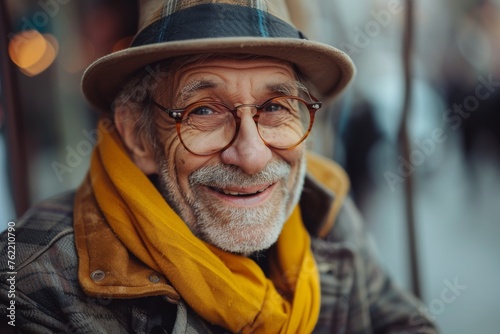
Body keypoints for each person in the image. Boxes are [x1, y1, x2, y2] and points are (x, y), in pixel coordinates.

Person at [0, 0, 438, 333]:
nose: (251, 155)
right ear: (138, 135)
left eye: (274, 106)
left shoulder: (326, 210)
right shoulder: (33, 278)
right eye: (203, 111)